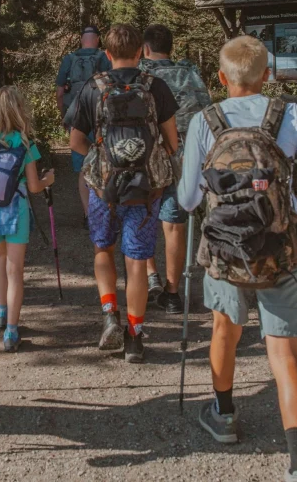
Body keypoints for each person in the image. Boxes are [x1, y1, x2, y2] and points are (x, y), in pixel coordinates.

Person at [177, 35, 297, 482]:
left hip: (225, 251)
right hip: (279, 249)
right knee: (285, 355)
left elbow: (187, 195)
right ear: (268, 75)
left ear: (221, 78)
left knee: (224, 331)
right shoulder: (288, 114)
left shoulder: (204, 120)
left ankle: (224, 415)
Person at [69, 23, 178, 364]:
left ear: (108, 53)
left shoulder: (92, 87)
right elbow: (172, 142)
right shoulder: (155, 86)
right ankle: (135, 335)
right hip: (146, 187)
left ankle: (109, 315)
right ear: (141, 52)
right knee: (137, 260)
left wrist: (100, 159)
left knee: (103, 248)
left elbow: (75, 141)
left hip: (105, 185)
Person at [0, 86, 55, 352]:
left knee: (1, 259)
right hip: (16, 210)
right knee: (15, 270)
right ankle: (11, 333)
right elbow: (34, 186)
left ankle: (1, 312)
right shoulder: (24, 142)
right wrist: (48, 180)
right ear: (18, 110)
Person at [138, 24, 212, 313]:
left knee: (142, 217)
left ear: (145, 49)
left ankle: (150, 276)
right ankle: (172, 292)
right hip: (183, 156)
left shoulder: (140, 76)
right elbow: (206, 113)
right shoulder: (190, 73)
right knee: (174, 223)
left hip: (147, 156)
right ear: (170, 47)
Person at [55, 25, 111, 221]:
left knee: (81, 168)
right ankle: (104, 210)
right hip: (99, 119)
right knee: (103, 162)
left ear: (81, 40)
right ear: (96, 39)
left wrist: (65, 116)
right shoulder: (104, 58)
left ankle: (88, 214)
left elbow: (60, 92)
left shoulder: (69, 59)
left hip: (76, 118)